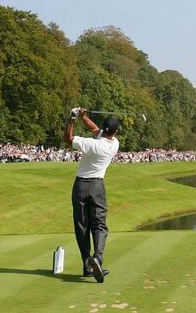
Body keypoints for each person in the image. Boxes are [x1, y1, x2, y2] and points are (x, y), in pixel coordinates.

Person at [63, 107, 119, 283]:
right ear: (115, 132)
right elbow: (95, 130)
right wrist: (84, 117)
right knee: (99, 225)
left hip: (80, 186)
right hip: (97, 187)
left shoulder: (91, 144)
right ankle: (98, 258)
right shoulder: (114, 144)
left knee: (82, 227)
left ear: (104, 129)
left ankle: (88, 266)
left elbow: (68, 139)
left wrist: (73, 118)